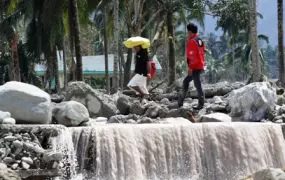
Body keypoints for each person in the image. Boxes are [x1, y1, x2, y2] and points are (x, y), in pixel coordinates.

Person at [178, 23, 205, 109]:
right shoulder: (199, 40)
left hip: (195, 66)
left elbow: (192, 55)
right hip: (200, 64)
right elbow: (203, 50)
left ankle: (200, 104)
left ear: (189, 32)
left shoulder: (192, 41)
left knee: (197, 84)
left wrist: (191, 68)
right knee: (187, 81)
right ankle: (180, 101)